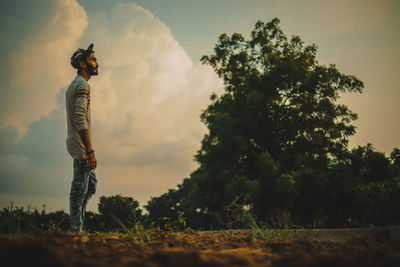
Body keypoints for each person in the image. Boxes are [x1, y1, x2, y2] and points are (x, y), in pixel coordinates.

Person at [66, 43, 100, 232]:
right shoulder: (82, 86)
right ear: (83, 64)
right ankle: (75, 230)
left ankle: (78, 224)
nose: (97, 63)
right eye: (93, 60)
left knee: (91, 185)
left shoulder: (75, 85)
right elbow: (80, 119)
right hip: (80, 144)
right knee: (79, 189)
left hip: (76, 142)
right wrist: (90, 150)